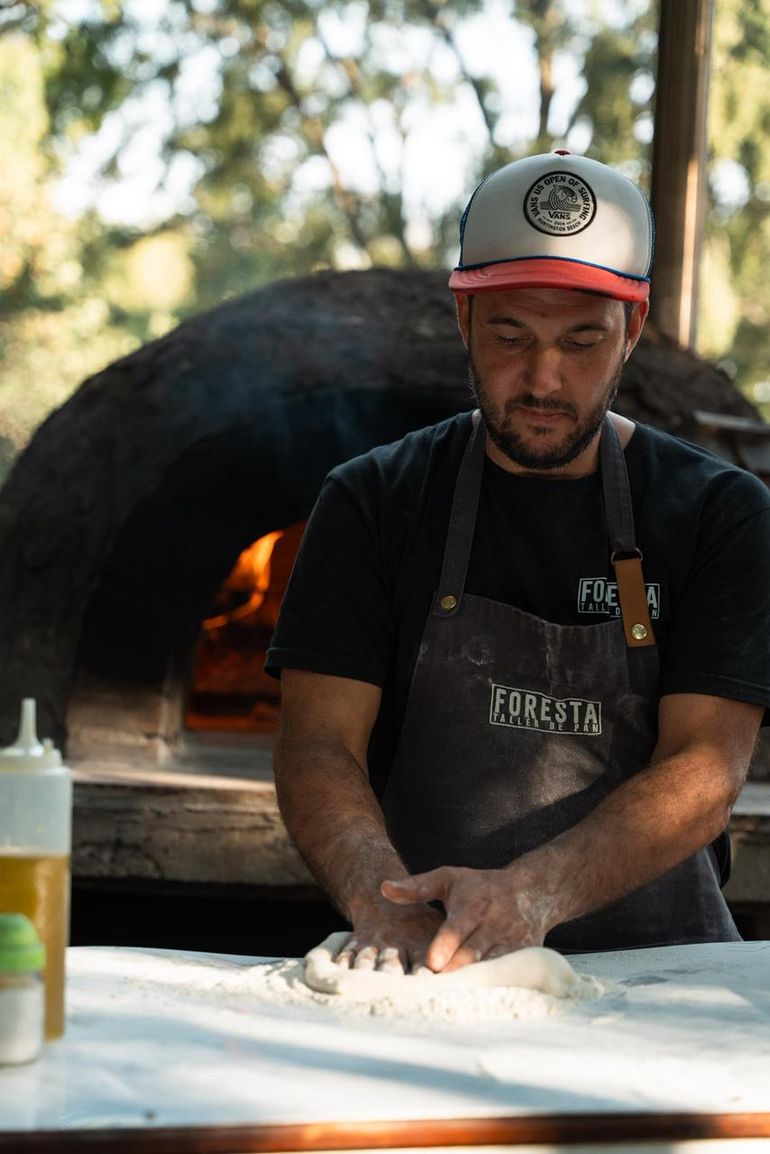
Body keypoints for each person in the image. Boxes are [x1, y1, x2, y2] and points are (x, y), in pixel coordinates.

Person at [266, 150, 770, 975]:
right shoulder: (373, 500)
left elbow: (706, 767)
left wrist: (530, 894)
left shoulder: (718, 512)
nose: (544, 379)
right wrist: (378, 897)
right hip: (433, 963)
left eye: (581, 341)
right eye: (510, 336)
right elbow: (317, 744)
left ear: (632, 330)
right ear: (464, 320)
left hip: (664, 980)